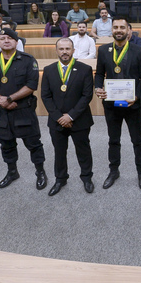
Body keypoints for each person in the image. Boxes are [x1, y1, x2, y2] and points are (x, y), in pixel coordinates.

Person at [0, 28, 47, 190]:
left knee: (33, 144)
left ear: (17, 42)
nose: (6, 41)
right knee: (6, 144)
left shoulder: (28, 60)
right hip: (2, 111)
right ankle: (12, 172)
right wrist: (1, 100)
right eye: (2, 38)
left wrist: (10, 98)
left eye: (10, 38)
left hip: (23, 110)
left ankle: (40, 172)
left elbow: (31, 85)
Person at [94, 16, 141, 191]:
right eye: (115, 27)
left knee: (137, 140)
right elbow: (99, 74)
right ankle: (114, 171)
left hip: (132, 104)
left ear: (129, 31)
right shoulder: (103, 50)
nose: (119, 30)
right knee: (113, 140)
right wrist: (97, 88)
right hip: (111, 104)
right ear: (112, 30)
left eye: (122, 27)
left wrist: (137, 97)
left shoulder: (139, 51)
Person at [41, 38, 95, 196]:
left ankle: (86, 177)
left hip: (80, 119)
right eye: (61, 49)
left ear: (73, 50)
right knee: (59, 151)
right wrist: (59, 117)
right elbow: (45, 96)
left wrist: (70, 116)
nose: (64, 52)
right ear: (56, 51)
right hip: (56, 121)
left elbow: (87, 96)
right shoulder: (49, 70)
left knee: (83, 150)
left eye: (68, 49)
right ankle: (60, 179)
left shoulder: (85, 69)